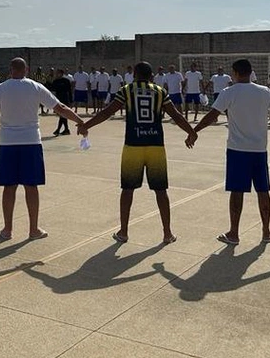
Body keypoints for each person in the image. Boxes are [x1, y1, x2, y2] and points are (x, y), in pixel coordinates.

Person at [0, 58, 84, 240]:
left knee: (9, 187)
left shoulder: (1, 88)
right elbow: (60, 107)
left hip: (8, 144)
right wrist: (80, 121)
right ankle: (33, 229)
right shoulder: (35, 87)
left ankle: (7, 230)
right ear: (26, 69)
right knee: (31, 186)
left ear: (10, 70)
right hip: (31, 143)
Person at [78, 61, 197, 245]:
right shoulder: (160, 91)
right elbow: (176, 115)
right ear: (151, 76)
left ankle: (124, 232)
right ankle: (167, 233)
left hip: (133, 146)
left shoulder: (126, 90)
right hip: (156, 146)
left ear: (134, 74)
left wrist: (87, 125)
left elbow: (107, 112)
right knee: (160, 190)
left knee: (127, 190)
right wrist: (191, 132)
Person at [194, 59, 270, 245]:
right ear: (251, 72)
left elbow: (212, 115)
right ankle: (266, 232)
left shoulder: (229, 92)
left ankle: (234, 233)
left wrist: (194, 131)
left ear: (235, 73)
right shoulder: (264, 91)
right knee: (263, 190)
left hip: (237, 150)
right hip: (259, 150)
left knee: (237, 191)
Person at [50, 69, 74, 136]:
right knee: (63, 115)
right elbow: (53, 92)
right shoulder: (55, 81)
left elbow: (69, 91)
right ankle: (66, 130)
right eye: (56, 73)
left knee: (62, 115)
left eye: (58, 73)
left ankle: (58, 130)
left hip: (65, 99)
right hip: (58, 100)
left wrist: (71, 101)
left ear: (61, 73)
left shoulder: (66, 81)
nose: (57, 74)